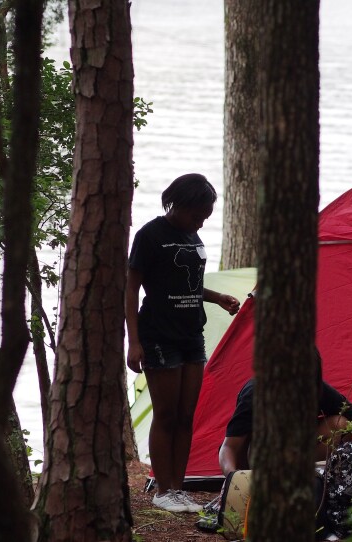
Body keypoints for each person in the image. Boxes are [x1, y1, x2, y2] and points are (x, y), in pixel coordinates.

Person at [126, 173, 240, 513]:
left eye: (205, 217)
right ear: (177, 203)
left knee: (187, 415)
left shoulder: (191, 235)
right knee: (166, 413)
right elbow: (132, 288)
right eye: (197, 215)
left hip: (192, 334)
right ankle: (163, 489)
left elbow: (187, 283)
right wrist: (133, 341)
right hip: (159, 333)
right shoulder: (150, 235)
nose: (200, 222)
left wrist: (216, 296)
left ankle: (179, 487)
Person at [218, 370, 352, 476]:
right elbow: (229, 447)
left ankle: (317, 478)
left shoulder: (317, 388)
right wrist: (234, 478)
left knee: (341, 425)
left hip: (301, 451)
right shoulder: (254, 394)